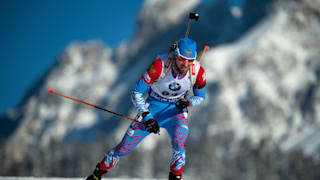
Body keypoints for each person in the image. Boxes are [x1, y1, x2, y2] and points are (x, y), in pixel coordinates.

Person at [86, 38, 207, 180]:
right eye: (182, 59)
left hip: (175, 112)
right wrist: (147, 117)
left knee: (180, 143)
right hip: (153, 108)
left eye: (190, 60)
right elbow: (136, 92)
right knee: (123, 148)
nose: (185, 64)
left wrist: (187, 103)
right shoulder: (160, 66)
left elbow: (200, 97)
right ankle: (97, 174)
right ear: (175, 54)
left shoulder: (197, 71)